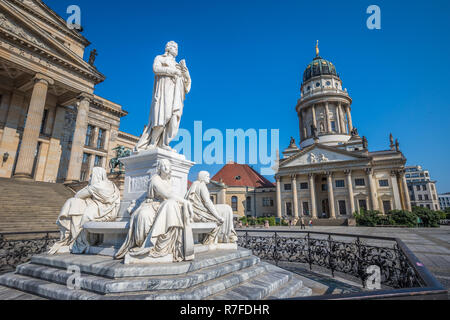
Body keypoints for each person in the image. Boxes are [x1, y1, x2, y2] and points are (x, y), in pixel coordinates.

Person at [124, 159, 195, 262]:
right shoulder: (155, 179)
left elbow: (169, 197)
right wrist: (185, 202)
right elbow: (166, 194)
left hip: (162, 204)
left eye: (168, 166)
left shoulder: (168, 180)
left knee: (171, 205)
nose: (167, 168)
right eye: (164, 166)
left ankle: (163, 245)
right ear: (159, 168)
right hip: (152, 204)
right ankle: (147, 245)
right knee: (144, 216)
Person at [49, 167, 120, 255]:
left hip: (102, 209)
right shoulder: (111, 184)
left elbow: (78, 195)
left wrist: (89, 187)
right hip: (109, 209)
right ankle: (75, 240)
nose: (89, 178)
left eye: (91, 176)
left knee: (77, 208)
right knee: (74, 205)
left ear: (96, 176)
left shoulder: (96, 186)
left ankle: (77, 241)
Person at [135, 41, 191, 152]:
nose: (176, 49)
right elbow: (156, 69)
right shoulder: (160, 58)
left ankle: (165, 143)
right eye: (174, 47)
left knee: (174, 118)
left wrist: (185, 71)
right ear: (168, 48)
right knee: (162, 117)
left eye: (177, 48)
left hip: (176, 95)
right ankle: (152, 143)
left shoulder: (178, 65)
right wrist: (172, 71)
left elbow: (187, 82)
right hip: (164, 93)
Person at [186, 171, 238, 244]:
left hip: (198, 211)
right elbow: (208, 202)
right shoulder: (202, 185)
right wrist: (218, 216)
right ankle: (226, 236)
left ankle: (227, 235)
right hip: (201, 212)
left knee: (226, 209)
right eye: (207, 176)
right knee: (227, 209)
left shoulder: (195, 184)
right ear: (203, 177)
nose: (209, 178)